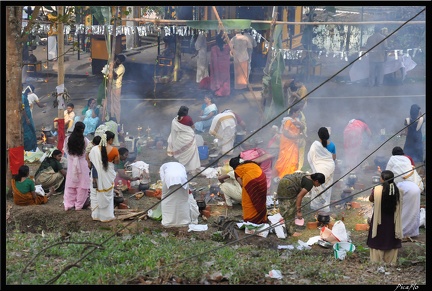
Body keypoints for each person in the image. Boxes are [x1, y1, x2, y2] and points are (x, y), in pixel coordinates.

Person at [366, 170, 402, 265]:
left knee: (379, 236)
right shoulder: (397, 190)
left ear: (382, 179)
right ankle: (390, 260)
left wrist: (373, 192)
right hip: (392, 219)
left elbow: (371, 199)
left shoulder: (377, 189)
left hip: (379, 219)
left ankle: (377, 260)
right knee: (390, 236)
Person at [276, 171, 325, 236]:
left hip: (283, 181)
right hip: (288, 187)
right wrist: (298, 211)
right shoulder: (309, 184)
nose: (319, 185)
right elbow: (299, 196)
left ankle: (282, 224)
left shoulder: (308, 176)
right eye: (319, 184)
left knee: (284, 205)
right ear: (316, 181)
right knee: (290, 209)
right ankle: (291, 232)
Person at [89, 131, 120, 222]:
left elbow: (91, 161)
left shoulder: (94, 149)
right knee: (108, 193)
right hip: (107, 176)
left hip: (96, 176)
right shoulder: (114, 150)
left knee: (95, 193)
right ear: (110, 140)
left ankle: (96, 215)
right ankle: (107, 216)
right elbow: (117, 162)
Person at [159, 162, 200, 227]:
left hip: (168, 179)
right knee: (183, 199)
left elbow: (163, 178)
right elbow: (185, 176)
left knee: (167, 200)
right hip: (182, 179)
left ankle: (168, 222)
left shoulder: (164, 166)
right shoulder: (180, 166)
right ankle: (183, 221)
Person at [229, 156, 268, 224]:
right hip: (262, 177)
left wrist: (246, 191)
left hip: (251, 181)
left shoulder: (237, 170)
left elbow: (241, 184)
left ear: (233, 166)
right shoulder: (250, 163)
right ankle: (262, 218)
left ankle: (251, 220)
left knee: (247, 201)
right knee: (261, 199)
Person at [62, 121, 91, 211]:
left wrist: (72, 157)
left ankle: (68, 205)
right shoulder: (85, 140)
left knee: (71, 185)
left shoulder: (68, 139)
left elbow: (65, 150)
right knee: (82, 185)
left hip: (71, 163)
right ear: (83, 130)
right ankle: (79, 205)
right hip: (82, 163)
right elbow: (88, 151)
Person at [307, 127, 336, 213]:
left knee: (317, 186)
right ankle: (325, 206)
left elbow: (311, 157)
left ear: (318, 135)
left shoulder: (315, 145)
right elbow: (334, 158)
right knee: (327, 186)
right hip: (329, 168)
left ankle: (315, 205)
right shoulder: (332, 145)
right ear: (328, 135)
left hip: (318, 168)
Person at [167, 106, 201, 175]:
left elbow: (174, 131)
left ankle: (183, 168)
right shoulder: (188, 118)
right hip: (188, 137)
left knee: (183, 153)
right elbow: (193, 126)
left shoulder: (175, 120)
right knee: (192, 153)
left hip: (180, 139)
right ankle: (192, 168)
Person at [274, 105, 304, 179]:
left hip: (294, 144)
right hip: (287, 144)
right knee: (286, 159)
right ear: (294, 113)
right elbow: (285, 133)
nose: (299, 113)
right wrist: (295, 137)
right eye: (298, 112)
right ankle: (283, 176)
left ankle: (291, 176)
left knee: (293, 160)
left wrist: (300, 124)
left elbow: (302, 128)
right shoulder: (288, 121)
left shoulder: (296, 120)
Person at [209, 31, 231, 97]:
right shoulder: (227, 47)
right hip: (225, 65)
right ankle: (226, 91)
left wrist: (213, 68)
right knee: (226, 79)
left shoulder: (214, 48)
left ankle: (218, 90)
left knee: (218, 78)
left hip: (217, 66)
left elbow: (213, 59)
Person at [21, 85, 38, 152]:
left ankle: (33, 147)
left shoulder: (24, 95)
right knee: (28, 133)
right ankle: (28, 148)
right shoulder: (22, 97)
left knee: (32, 131)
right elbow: (23, 108)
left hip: (28, 116)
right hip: (26, 118)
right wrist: (27, 118)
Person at [111, 54, 126, 123]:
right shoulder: (115, 65)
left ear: (121, 62)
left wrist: (111, 69)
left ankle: (118, 120)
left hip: (117, 87)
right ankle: (112, 117)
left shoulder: (121, 68)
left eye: (118, 60)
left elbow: (115, 76)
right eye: (116, 59)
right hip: (111, 86)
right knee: (111, 103)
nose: (117, 61)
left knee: (116, 104)